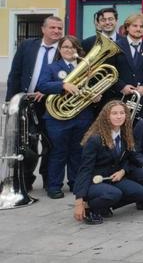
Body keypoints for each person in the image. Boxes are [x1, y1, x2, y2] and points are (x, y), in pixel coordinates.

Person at [6, 15, 63, 191]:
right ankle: (25, 180)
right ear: (43, 29)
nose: (56, 31)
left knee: (50, 144)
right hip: (26, 102)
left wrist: (46, 91)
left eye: (59, 28)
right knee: (25, 142)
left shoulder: (65, 48)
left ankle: (48, 180)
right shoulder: (27, 46)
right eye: (52, 27)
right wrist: (10, 101)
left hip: (51, 104)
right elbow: (15, 74)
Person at [73, 100, 143, 225]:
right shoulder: (95, 139)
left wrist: (123, 171)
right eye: (114, 113)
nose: (119, 116)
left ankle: (104, 206)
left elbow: (129, 158)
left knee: (140, 192)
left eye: (122, 113)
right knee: (113, 194)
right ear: (106, 116)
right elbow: (85, 169)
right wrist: (79, 201)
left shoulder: (125, 134)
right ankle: (90, 207)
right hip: (95, 181)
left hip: (113, 179)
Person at [36, 36, 90, 199]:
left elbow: (92, 86)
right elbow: (42, 85)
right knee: (58, 152)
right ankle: (54, 186)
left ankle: (75, 183)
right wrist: (62, 85)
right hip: (57, 119)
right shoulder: (52, 67)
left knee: (77, 152)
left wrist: (95, 96)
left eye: (73, 47)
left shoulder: (86, 66)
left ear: (77, 50)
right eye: (65, 47)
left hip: (81, 116)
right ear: (60, 49)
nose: (69, 50)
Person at [110, 12, 143, 119]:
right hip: (120, 97)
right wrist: (122, 86)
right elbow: (109, 72)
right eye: (135, 26)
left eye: (142, 26)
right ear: (127, 27)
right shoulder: (115, 46)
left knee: (142, 132)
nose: (138, 29)